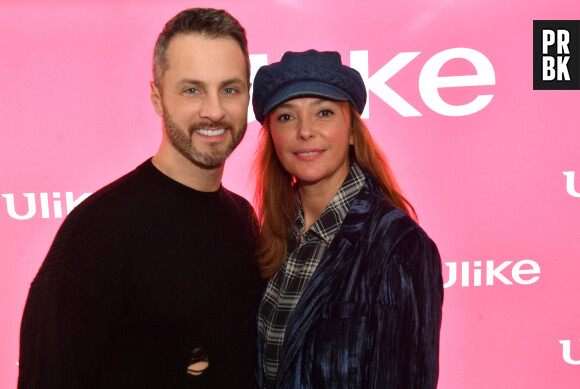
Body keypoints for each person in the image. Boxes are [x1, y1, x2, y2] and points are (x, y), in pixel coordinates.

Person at [18, 8, 263, 388]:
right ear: (156, 97)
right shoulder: (95, 234)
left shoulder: (244, 219)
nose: (214, 111)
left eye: (229, 89)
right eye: (192, 89)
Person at [252, 50, 444, 388]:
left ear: (353, 132)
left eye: (324, 113)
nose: (305, 131)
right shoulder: (273, 235)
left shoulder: (397, 245)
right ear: (273, 139)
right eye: (286, 117)